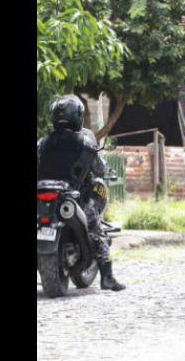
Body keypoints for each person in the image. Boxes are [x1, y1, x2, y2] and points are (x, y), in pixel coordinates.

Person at [37, 95, 126, 291]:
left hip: (43, 195)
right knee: (95, 229)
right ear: (77, 116)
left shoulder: (43, 142)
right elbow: (100, 169)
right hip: (72, 197)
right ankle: (107, 277)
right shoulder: (84, 143)